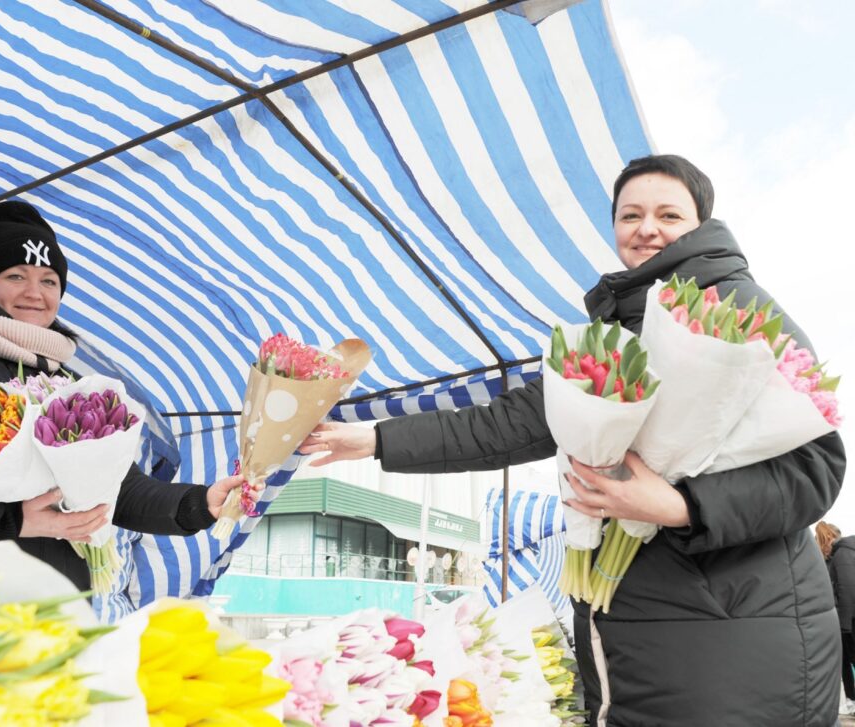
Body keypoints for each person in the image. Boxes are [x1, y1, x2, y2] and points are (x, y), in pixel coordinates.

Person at [300, 155, 846, 726]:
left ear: (702, 223)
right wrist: (376, 440)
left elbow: (816, 467)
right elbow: (509, 422)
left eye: (668, 214)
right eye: (630, 215)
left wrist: (681, 506)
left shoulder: (739, 308)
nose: (646, 229)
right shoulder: (618, 329)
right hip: (653, 629)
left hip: (729, 633)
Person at [0, 200, 245, 600]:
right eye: (15, 276)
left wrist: (200, 503)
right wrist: (10, 519)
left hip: (48, 614)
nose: (35, 292)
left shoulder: (66, 382)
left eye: (49, 280)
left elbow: (119, 488)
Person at [823, 521, 855, 714]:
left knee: (846, 659)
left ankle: (852, 699)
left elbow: (846, 588)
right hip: (846, 615)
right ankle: (851, 699)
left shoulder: (841, 555)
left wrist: (844, 624)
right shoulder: (848, 551)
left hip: (845, 617)